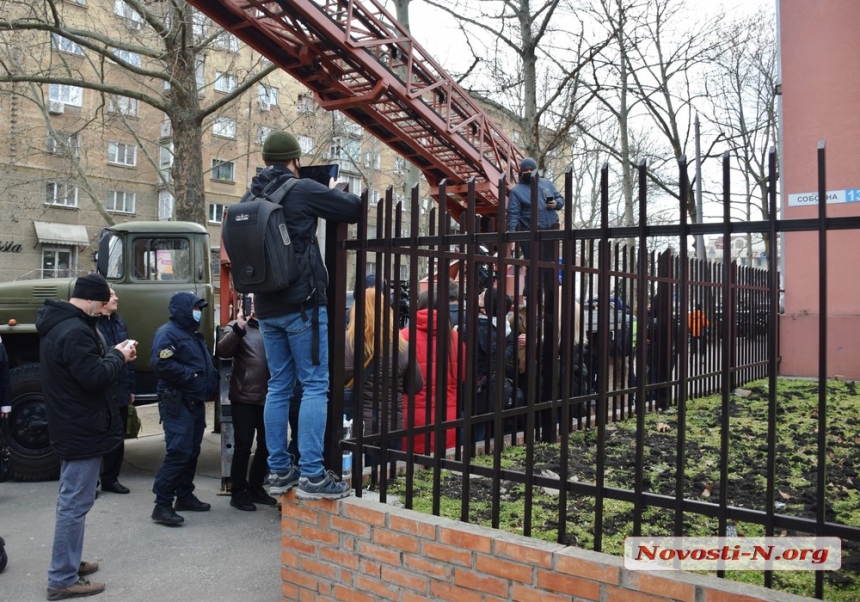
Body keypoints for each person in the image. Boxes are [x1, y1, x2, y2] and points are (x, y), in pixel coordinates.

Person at [252, 130, 362, 501]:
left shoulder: (251, 194)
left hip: (266, 306)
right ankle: (314, 474)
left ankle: (280, 470)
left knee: (278, 386)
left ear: (267, 160)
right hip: (302, 304)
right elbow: (353, 208)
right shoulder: (300, 189)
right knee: (315, 384)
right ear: (295, 160)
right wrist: (333, 190)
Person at [36, 273, 135, 600]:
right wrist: (119, 356)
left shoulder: (63, 325)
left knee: (75, 499)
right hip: (81, 427)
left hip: (73, 423)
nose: (104, 307)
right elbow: (93, 377)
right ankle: (62, 578)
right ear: (92, 300)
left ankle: (69, 562)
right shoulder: (76, 331)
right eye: (103, 301)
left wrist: (112, 354)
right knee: (74, 503)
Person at [150, 292, 219, 526]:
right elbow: (162, 363)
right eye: (195, 308)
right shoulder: (167, 334)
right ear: (182, 309)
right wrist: (192, 376)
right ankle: (162, 504)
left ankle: (184, 495)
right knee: (178, 451)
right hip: (177, 401)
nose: (198, 312)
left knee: (191, 451)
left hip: (193, 401)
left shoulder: (191, 334)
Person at [345, 282, 423, 461]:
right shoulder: (403, 347)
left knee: (359, 478)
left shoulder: (347, 345)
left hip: (359, 425)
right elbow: (416, 386)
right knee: (387, 477)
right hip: (392, 425)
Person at [216, 295, 277, 511]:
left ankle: (256, 487)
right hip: (244, 396)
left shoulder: (273, 325)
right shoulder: (236, 326)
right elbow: (222, 352)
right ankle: (238, 491)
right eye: (252, 300)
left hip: (270, 396)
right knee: (243, 447)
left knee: (266, 447)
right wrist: (239, 327)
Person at [400, 289, 460, 455]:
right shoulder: (456, 340)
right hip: (448, 418)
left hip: (412, 418)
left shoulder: (403, 337)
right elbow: (462, 377)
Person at [507, 157, 564, 300]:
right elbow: (513, 215)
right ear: (520, 173)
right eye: (525, 170)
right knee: (534, 270)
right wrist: (514, 237)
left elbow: (560, 199)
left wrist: (556, 204)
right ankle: (532, 301)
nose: (528, 172)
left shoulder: (546, 184)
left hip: (551, 231)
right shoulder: (517, 191)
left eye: (531, 169)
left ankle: (551, 301)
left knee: (550, 269)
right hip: (531, 234)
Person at [96, 288, 135, 495]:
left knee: (117, 437)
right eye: (111, 295)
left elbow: (128, 362)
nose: (116, 298)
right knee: (96, 437)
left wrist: (130, 389)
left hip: (119, 388)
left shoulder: (119, 322)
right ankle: (91, 482)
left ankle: (111, 479)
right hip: (101, 389)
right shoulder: (91, 324)